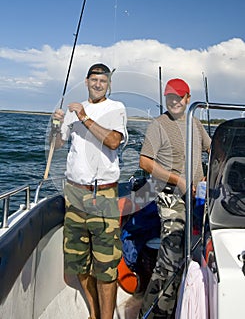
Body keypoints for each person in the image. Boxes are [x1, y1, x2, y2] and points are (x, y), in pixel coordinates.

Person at [52, 63, 128, 319]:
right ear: (86, 81)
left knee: (106, 266)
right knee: (77, 260)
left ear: (108, 84)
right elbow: (59, 144)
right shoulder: (73, 112)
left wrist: (84, 116)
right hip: (73, 194)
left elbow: (113, 141)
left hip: (103, 195)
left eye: (103, 81)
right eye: (94, 80)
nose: (98, 84)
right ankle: (94, 314)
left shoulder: (115, 108)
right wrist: (56, 125)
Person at [138, 78, 211, 318]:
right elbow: (145, 162)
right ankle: (151, 313)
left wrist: (206, 178)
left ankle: (181, 307)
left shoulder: (196, 123)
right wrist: (178, 180)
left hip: (197, 199)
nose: (174, 101)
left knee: (194, 256)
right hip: (170, 198)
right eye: (170, 96)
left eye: (179, 97)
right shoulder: (158, 125)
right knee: (169, 260)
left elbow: (214, 150)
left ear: (188, 98)